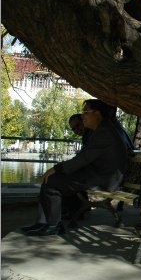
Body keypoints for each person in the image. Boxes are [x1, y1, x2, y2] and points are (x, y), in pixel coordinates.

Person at [22, 99, 128, 236]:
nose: (82, 115)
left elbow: (83, 159)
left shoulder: (104, 132)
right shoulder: (102, 129)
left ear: (97, 113)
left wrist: (56, 169)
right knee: (51, 179)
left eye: (85, 111)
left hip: (104, 180)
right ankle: (43, 223)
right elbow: (84, 157)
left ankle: (53, 225)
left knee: (52, 182)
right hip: (97, 175)